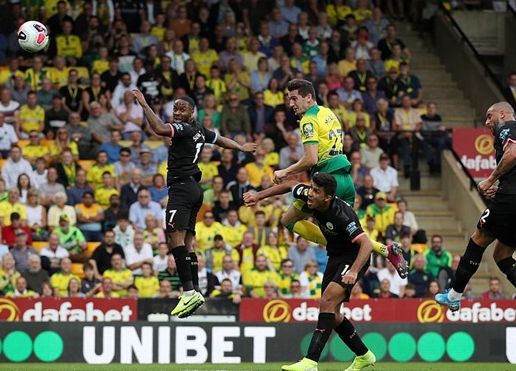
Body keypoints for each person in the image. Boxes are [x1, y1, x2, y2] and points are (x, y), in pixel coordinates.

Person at [244, 79, 407, 279]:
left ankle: (379, 251)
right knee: (345, 233)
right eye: (289, 99)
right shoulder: (327, 112)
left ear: (308, 97)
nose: (291, 104)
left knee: (288, 220)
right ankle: (386, 250)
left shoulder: (308, 121)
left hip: (327, 184)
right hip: (346, 181)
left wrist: (285, 171)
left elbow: (311, 158)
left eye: (295, 98)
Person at [132, 88, 256, 318]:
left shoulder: (185, 129)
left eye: (182, 109)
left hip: (181, 188)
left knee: (174, 238)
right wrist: (240, 146)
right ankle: (195, 290)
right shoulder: (200, 130)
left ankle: (188, 290)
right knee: (187, 243)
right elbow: (220, 140)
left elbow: (159, 129)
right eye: (175, 108)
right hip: (194, 189)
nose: (177, 112)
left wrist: (144, 104)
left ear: (192, 112)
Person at [435, 101, 516, 335]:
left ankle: (454, 295)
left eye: (489, 116)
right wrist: (504, 186)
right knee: (502, 254)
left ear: (503, 114)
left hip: (515, 196)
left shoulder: (508, 125)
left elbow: (513, 153)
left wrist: (490, 179)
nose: (487, 122)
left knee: (477, 239)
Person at [282, 173, 376, 371]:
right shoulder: (310, 197)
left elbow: (366, 244)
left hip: (353, 257)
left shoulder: (343, 215)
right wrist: (259, 196)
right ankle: (364, 355)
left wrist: (353, 271)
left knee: (326, 301)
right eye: (311, 187)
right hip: (335, 256)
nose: (311, 193)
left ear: (328, 197)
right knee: (332, 313)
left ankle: (311, 361)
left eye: (316, 191)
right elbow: (287, 213)